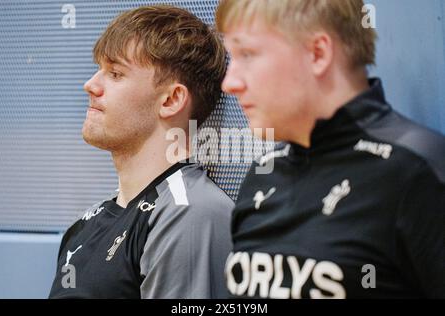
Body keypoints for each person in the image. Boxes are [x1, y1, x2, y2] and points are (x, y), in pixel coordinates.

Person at [216, 0, 445, 298]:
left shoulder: (416, 171)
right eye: (231, 58)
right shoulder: (263, 175)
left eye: (247, 54)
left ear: (318, 53)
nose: (229, 83)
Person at [49, 4, 233, 299]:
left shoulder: (189, 213)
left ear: (172, 99)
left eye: (115, 73)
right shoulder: (84, 227)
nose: (90, 85)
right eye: (99, 69)